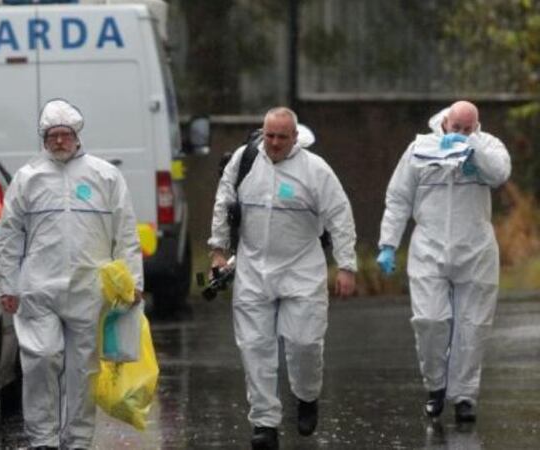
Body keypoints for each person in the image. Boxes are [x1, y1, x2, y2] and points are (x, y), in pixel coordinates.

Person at [0, 99, 143, 449]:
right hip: (38, 288)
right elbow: (10, 235)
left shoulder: (105, 176)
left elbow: (125, 232)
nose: (60, 141)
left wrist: (133, 281)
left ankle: (76, 440)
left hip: (89, 288)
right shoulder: (27, 179)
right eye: (53, 135)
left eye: (65, 135)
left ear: (77, 136)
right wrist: (8, 284)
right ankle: (42, 439)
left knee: (83, 370)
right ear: (44, 139)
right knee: (41, 359)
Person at [209, 107, 357, 449]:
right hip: (252, 272)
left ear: (295, 138)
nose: (274, 143)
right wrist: (218, 250)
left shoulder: (315, 171)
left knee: (304, 342)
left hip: (301, 271)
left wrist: (346, 266)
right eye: (269, 135)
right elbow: (223, 201)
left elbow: (340, 216)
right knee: (255, 349)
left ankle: (306, 395)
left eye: (281, 137)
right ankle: (265, 423)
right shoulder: (244, 161)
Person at [377, 100, 511, 423]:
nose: (462, 133)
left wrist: (472, 150)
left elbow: (500, 172)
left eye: (469, 128)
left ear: (476, 126)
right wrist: (388, 244)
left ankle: (464, 395)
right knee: (430, 321)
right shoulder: (419, 149)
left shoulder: (487, 145)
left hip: (475, 249)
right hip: (430, 249)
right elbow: (398, 199)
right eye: (457, 128)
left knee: (472, 326)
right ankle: (435, 384)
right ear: (445, 122)